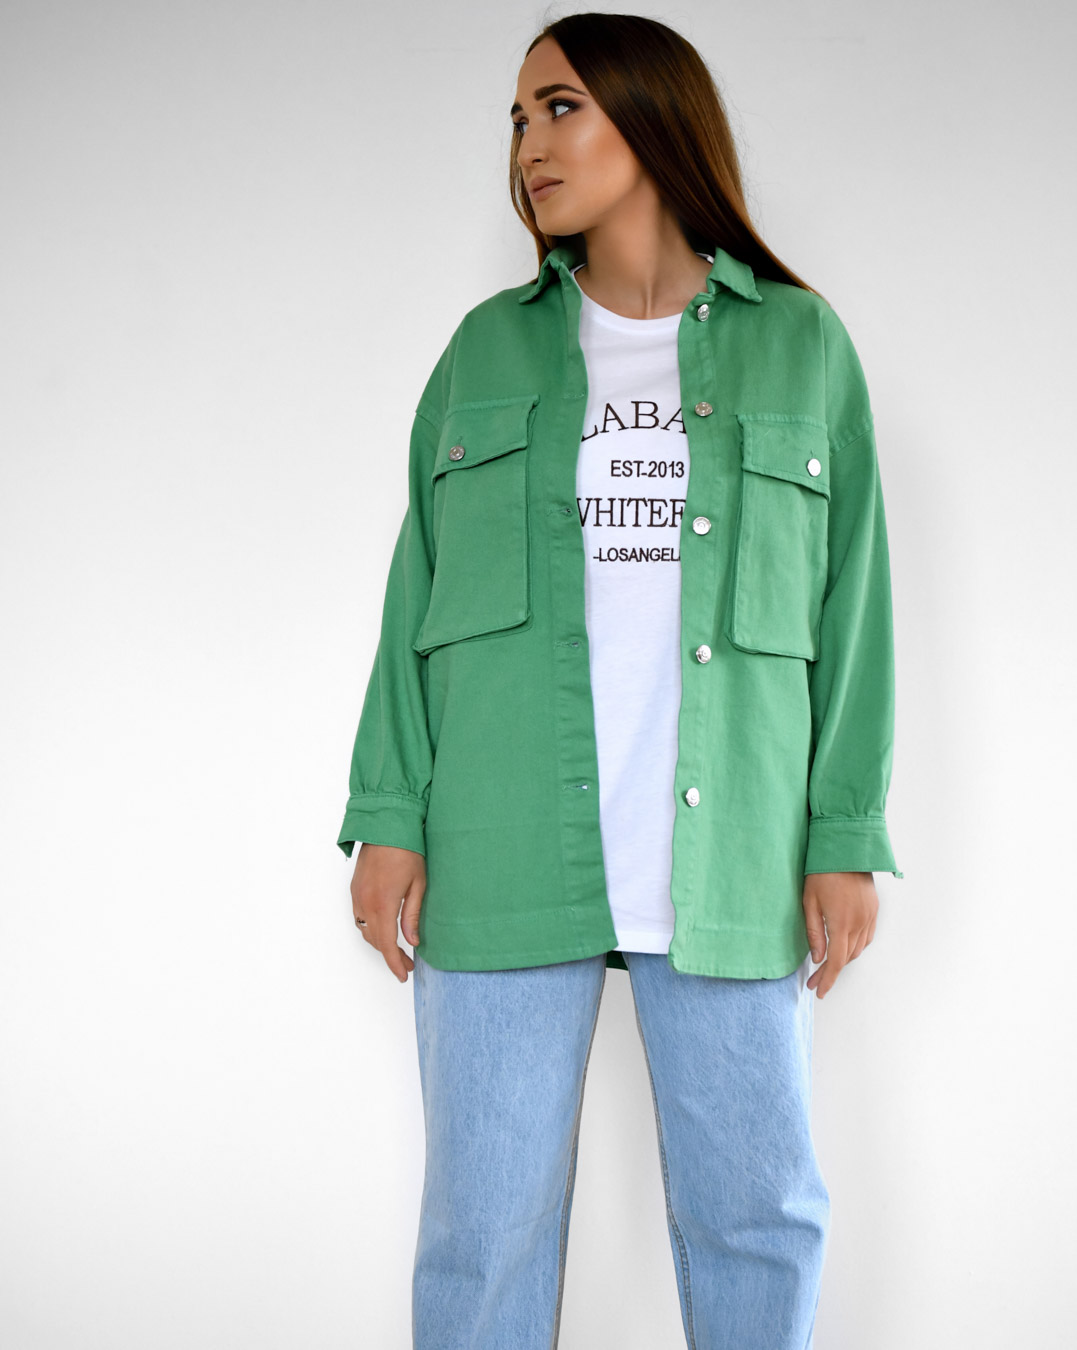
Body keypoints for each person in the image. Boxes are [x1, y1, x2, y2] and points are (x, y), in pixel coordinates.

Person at [336, 13, 903, 1348]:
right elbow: (415, 595)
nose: (527, 145)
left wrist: (843, 832)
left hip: (733, 852)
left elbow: (855, 608)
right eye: (516, 119)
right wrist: (388, 812)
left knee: (758, 1212)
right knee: (481, 1229)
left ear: (653, 118)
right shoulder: (484, 352)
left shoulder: (802, 346)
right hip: (498, 839)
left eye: (559, 107)